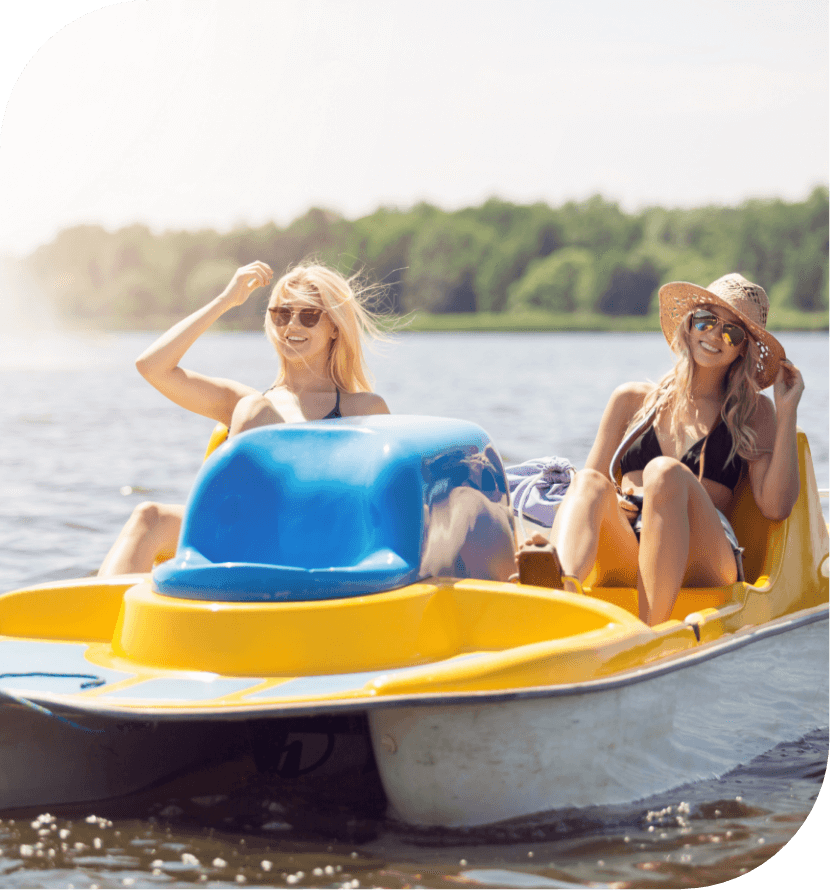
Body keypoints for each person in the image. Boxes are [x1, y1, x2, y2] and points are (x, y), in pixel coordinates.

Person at [516, 273, 804, 626]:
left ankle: (650, 633)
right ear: (690, 324)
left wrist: (787, 411)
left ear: (742, 348)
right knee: (589, 482)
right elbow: (592, 488)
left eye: (732, 332)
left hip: (707, 554)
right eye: (707, 320)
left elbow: (776, 507)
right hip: (633, 542)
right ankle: (561, 595)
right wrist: (619, 505)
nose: (715, 334)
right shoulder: (631, 401)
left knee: (664, 473)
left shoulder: (753, 412)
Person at [98, 260, 391, 577]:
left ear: (334, 327)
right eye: (281, 314)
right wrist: (226, 300)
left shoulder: (362, 409)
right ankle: (102, 619)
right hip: (235, 535)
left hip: (310, 543)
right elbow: (152, 367)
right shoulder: (244, 403)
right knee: (149, 517)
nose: (292, 325)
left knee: (255, 410)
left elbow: (386, 500)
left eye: (308, 316)